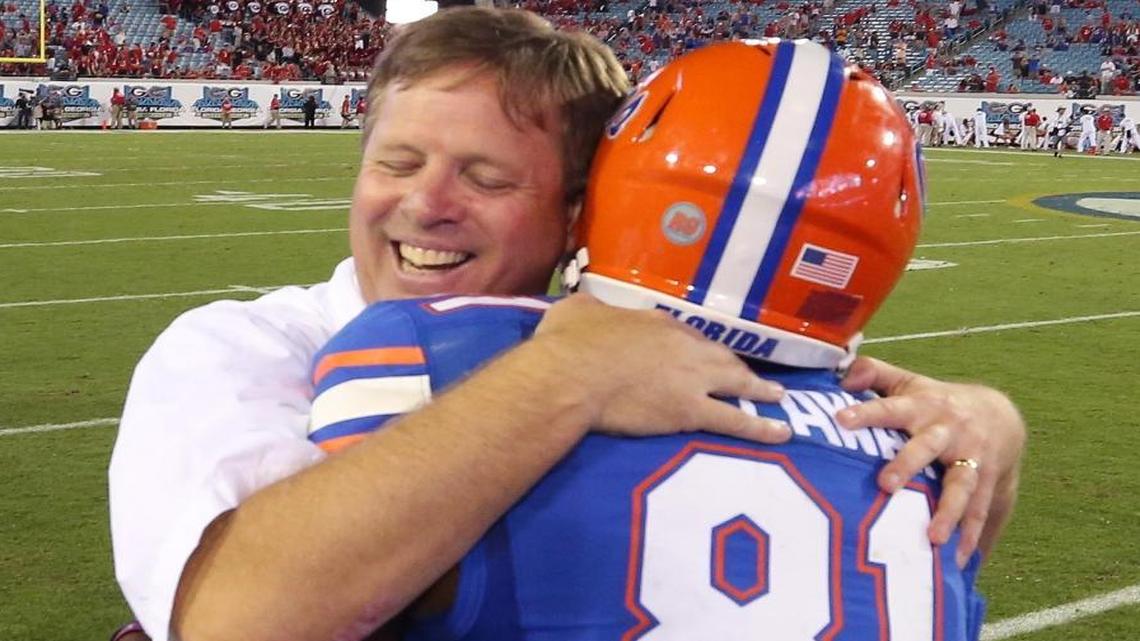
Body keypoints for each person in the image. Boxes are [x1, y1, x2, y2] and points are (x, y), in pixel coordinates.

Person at [109, 8, 1026, 641]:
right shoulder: (240, 347)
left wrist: (979, 412)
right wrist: (558, 378)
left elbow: (804, 382)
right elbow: (237, 618)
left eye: (487, 177)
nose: (425, 204)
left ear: (586, 210)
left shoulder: (641, 348)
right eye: (397, 160)